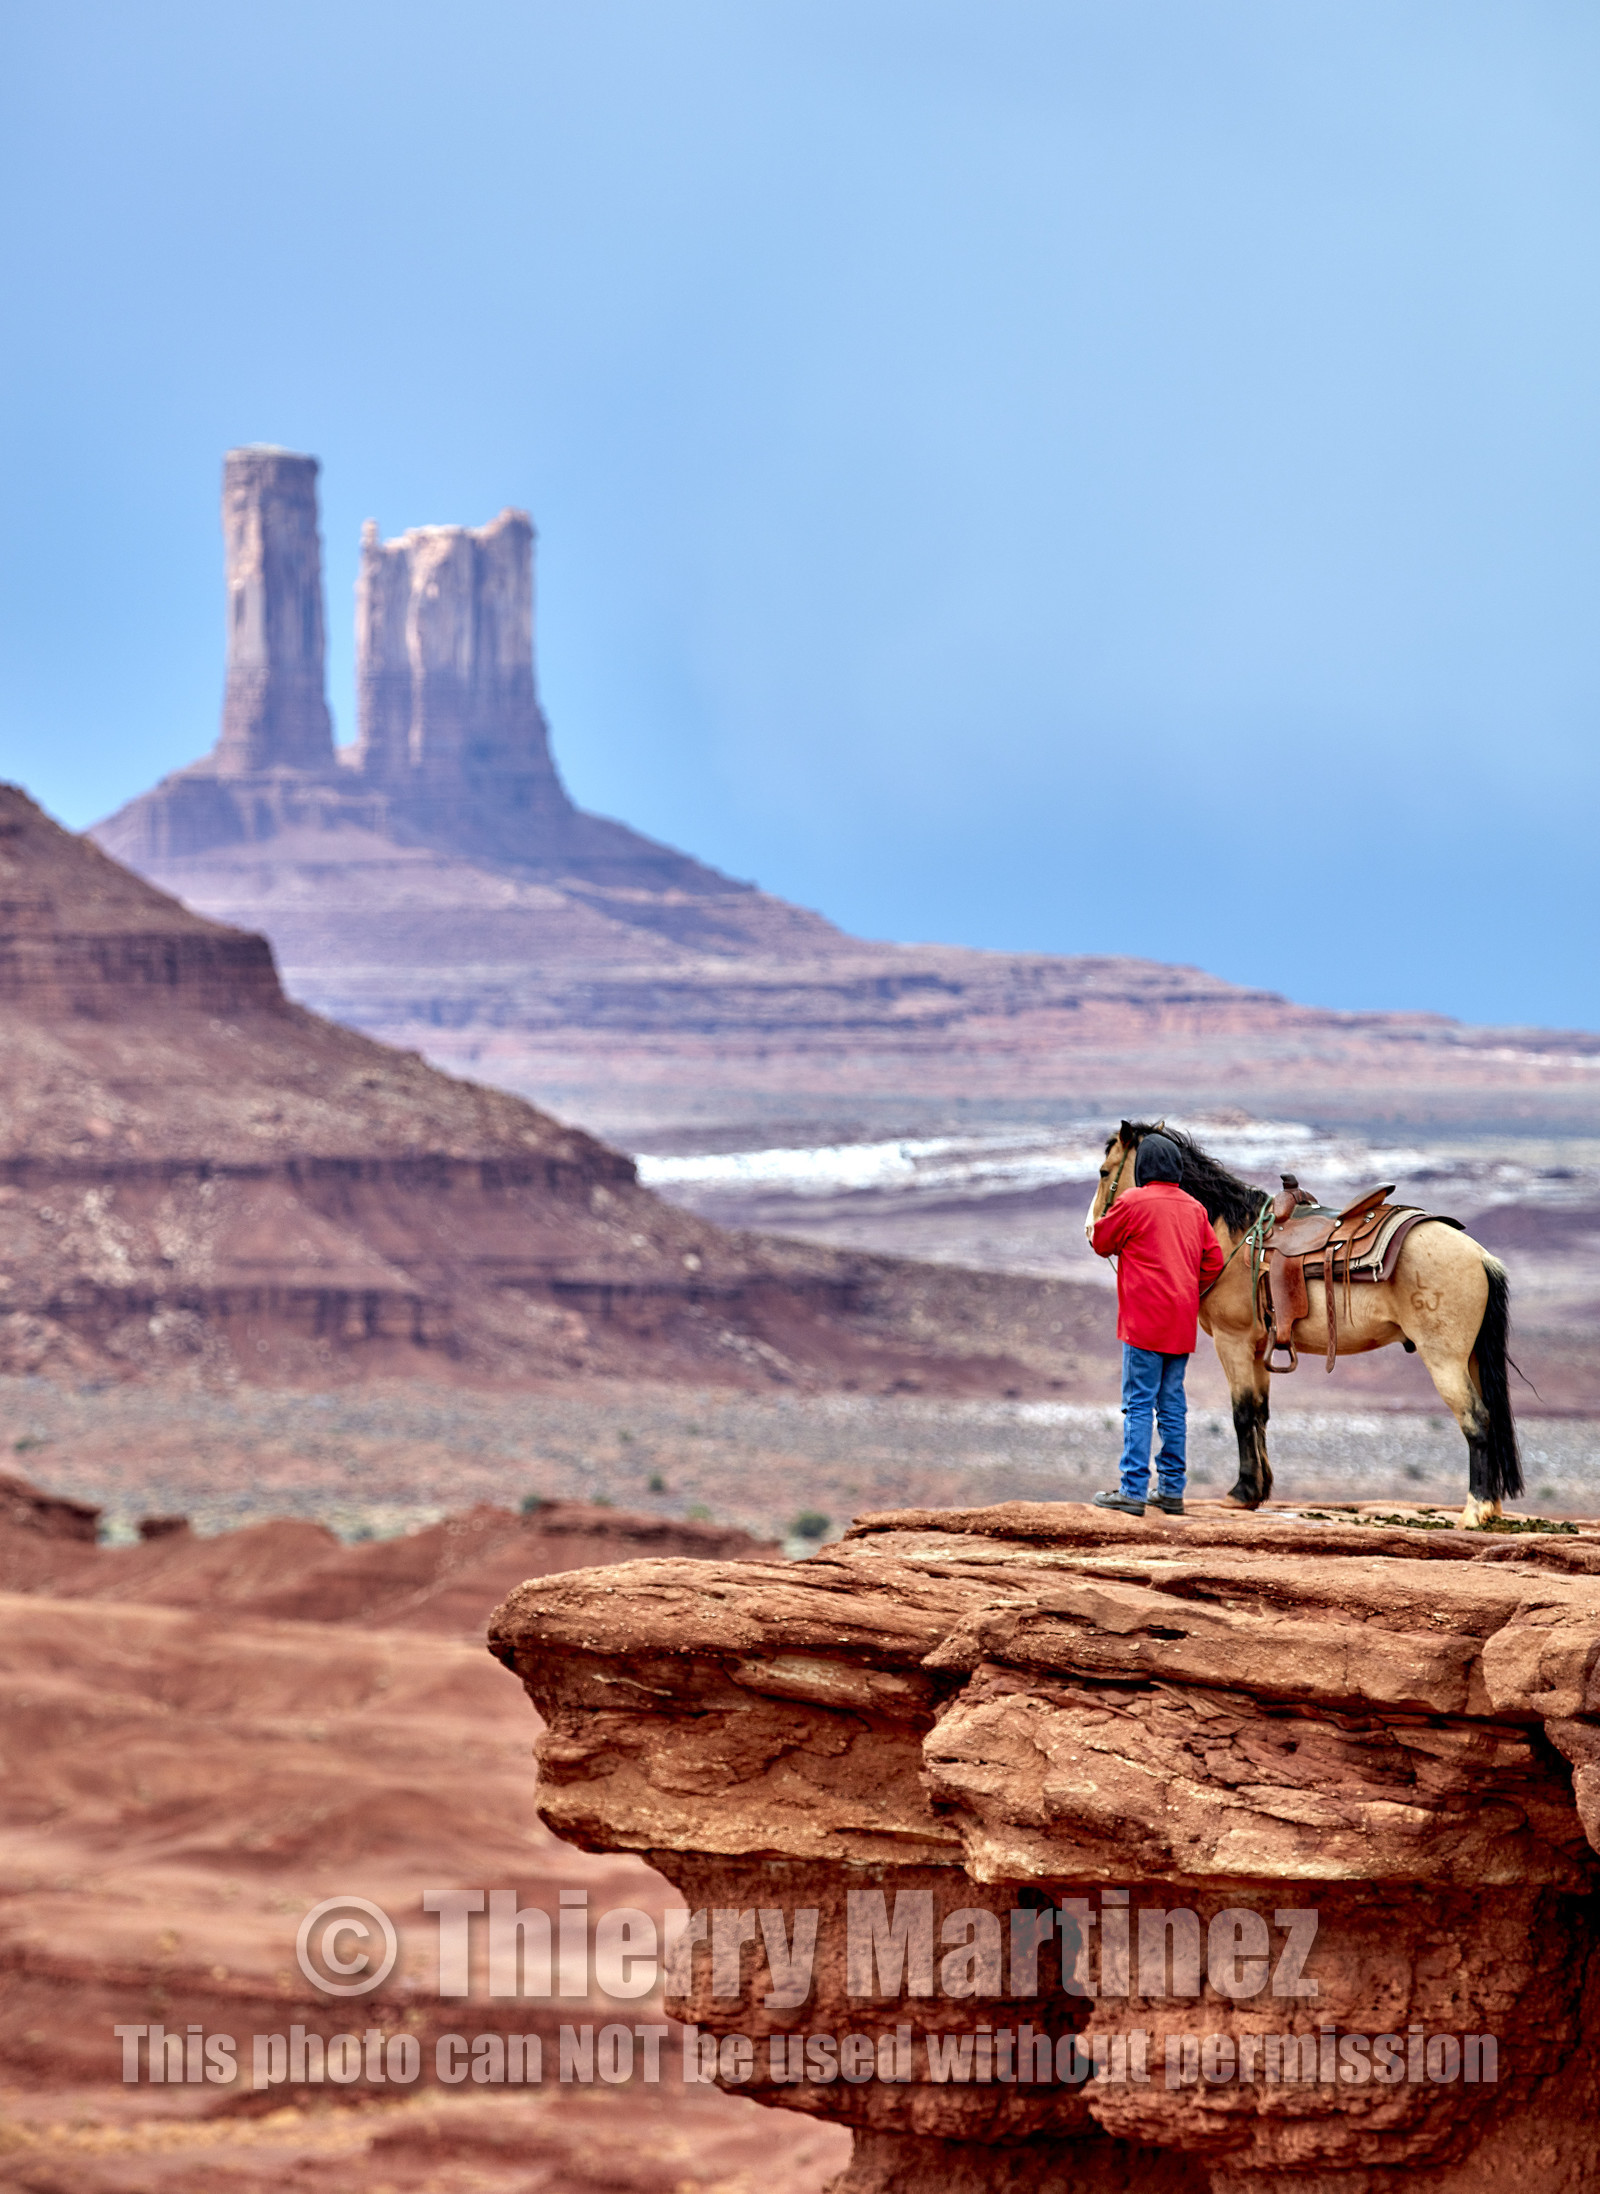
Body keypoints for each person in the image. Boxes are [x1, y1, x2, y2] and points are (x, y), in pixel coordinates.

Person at [1089, 1131, 1224, 1517]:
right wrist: (1187, 1287)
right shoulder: (1194, 1208)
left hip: (1143, 1322)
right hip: (1180, 1322)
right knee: (1171, 1406)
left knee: (1138, 1404)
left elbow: (1101, 1243)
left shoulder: (1132, 1201)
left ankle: (1132, 1491)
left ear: (1144, 1168)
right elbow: (1214, 1261)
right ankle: (1170, 1491)